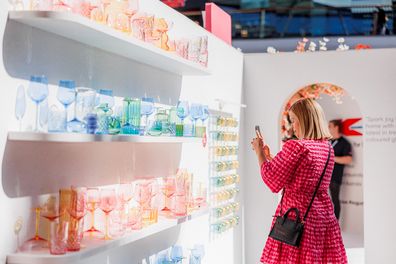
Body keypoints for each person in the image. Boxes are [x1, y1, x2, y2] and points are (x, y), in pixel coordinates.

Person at [251, 98, 347, 264]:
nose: (292, 126)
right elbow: (304, 172)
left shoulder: (296, 146)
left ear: (304, 120)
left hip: (296, 218)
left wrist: (259, 153)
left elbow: (272, 181)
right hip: (322, 217)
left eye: (294, 120)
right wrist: (271, 158)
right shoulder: (327, 148)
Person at [328, 119, 353, 220]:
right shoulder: (327, 141)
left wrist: (331, 158)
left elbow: (348, 159)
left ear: (336, 127)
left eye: (330, 126)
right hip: (324, 177)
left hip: (335, 177)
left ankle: (335, 225)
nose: (328, 128)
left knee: (335, 200)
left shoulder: (344, 143)